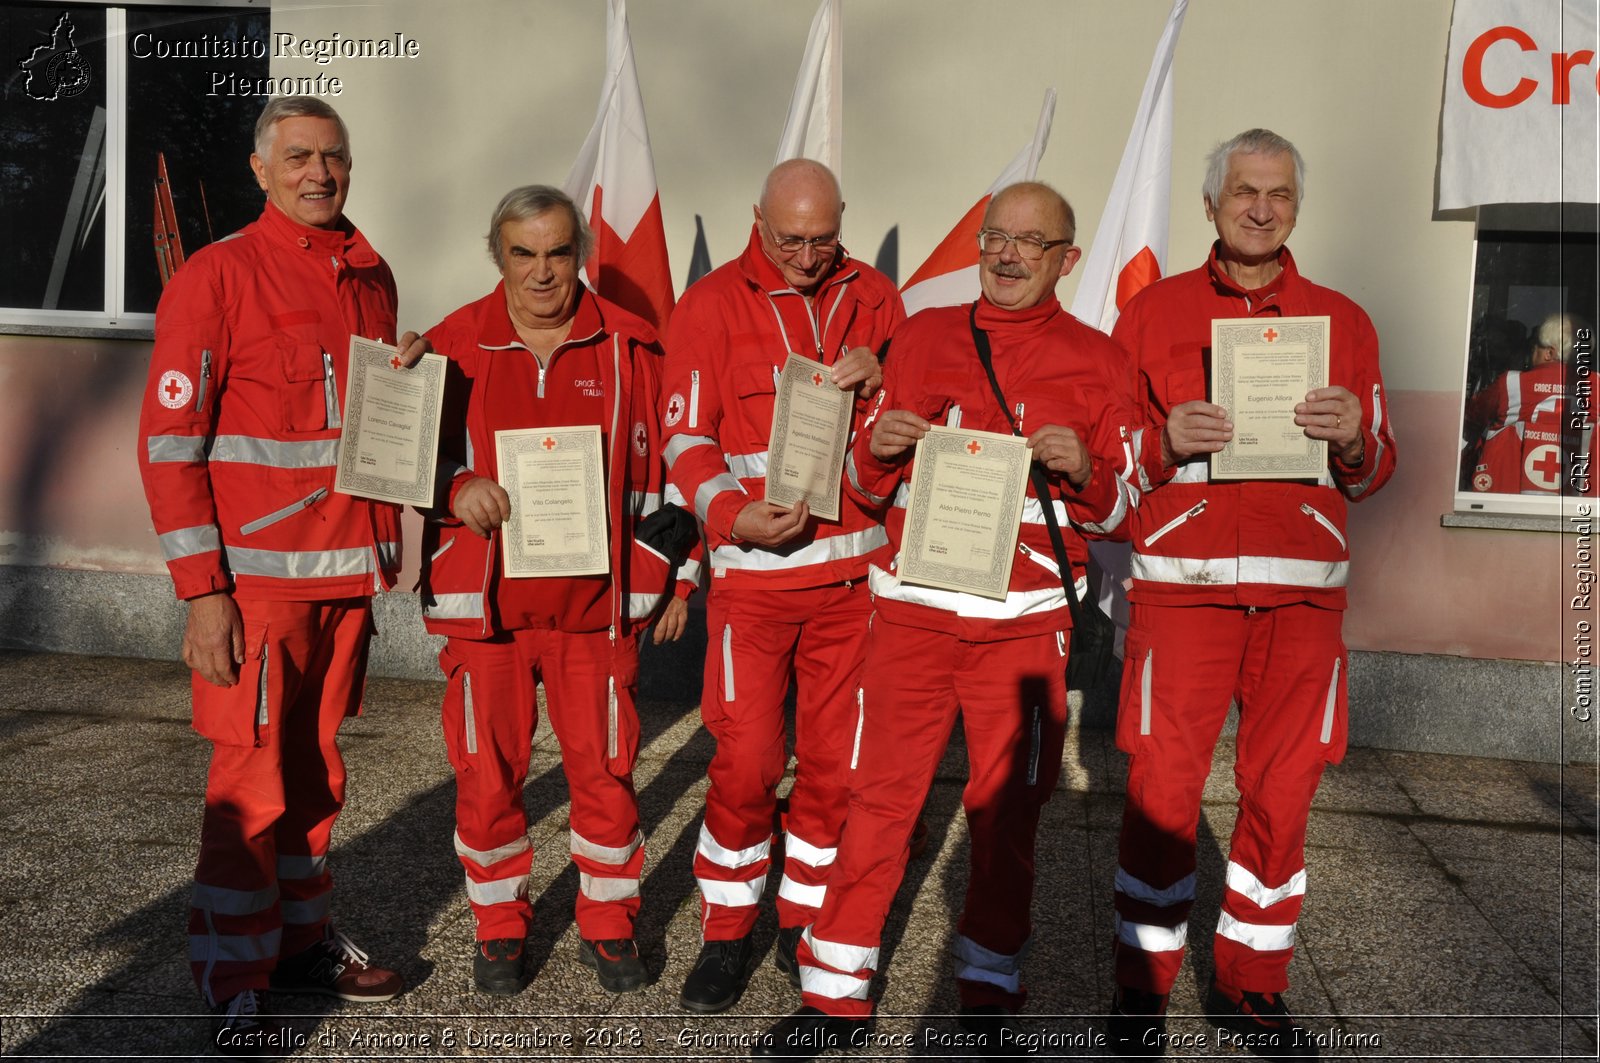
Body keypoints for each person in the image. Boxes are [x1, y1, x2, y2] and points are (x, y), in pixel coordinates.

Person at [757, 180, 1141, 1056]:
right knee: (875, 802)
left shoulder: (1101, 359)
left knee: (1005, 820)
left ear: (1066, 260)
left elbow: (1124, 515)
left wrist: (1084, 467)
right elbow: (859, 484)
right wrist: (876, 449)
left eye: (1029, 243)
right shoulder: (922, 332)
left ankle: (987, 994)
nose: (1006, 255)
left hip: (1023, 624)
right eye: (994, 237)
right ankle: (835, 998)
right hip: (911, 617)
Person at [1106, 129, 1398, 1059]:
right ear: (1212, 203)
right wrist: (1161, 442)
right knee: (1161, 792)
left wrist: (1354, 437)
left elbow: (1376, 467)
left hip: (1303, 604)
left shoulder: (1343, 321)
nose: (1261, 208)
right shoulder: (1149, 314)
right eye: (1244, 191)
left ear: (1296, 208)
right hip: (1182, 598)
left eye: (1278, 193)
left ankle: (1254, 986)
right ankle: (1141, 989)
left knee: (1284, 795)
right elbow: (1113, 460)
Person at [136, 96, 405, 1055]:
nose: (319, 174)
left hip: (344, 585)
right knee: (248, 788)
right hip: (255, 591)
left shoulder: (372, 279)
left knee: (316, 778)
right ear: (261, 170)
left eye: (333, 156)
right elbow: (171, 447)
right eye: (298, 158)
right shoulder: (217, 277)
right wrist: (203, 594)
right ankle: (233, 976)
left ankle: (297, 943)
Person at [406, 185, 695, 997]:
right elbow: (393, 458)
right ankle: (499, 928)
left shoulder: (633, 347)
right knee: (488, 777)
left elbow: (681, 470)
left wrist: (679, 574)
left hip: (593, 616)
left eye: (558, 252)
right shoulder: (449, 346)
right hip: (486, 614)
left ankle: (609, 922)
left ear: (581, 256)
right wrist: (455, 485)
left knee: (604, 774)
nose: (542, 271)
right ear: (498, 257)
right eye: (523, 253)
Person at [660, 158, 905, 1013]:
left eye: (823, 238)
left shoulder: (877, 296)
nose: (806, 255)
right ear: (756, 219)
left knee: (837, 770)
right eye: (789, 238)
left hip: (854, 583)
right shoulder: (709, 305)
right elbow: (684, 438)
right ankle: (727, 932)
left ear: (844, 221)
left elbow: (905, 431)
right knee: (746, 766)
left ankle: (806, 920)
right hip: (755, 581)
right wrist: (729, 516)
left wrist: (881, 387)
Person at [1463, 312, 1584, 495]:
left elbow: (1471, 413)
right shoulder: (1597, 387)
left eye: (1534, 344)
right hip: (1578, 503)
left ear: (1549, 353)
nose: (1530, 349)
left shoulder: (1511, 384)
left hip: (1506, 497)